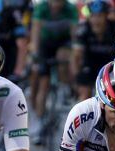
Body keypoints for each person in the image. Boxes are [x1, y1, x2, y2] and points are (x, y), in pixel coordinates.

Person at [29, 0, 78, 140]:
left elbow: (74, 35)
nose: (56, 5)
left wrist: (75, 53)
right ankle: (38, 124)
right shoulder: (41, 9)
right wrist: (35, 55)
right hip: (45, 44)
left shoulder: (70, 9)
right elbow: (35, 32)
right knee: (43, 85)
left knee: (64, 57)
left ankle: (63, 90)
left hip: (63, 43)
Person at [71, 0, 115, 101]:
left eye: (99, 16)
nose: (96, 20)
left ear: (106, 16)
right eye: (93, 16)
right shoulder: (82, 30)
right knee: (84, 95)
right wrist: (76, 80)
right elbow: (76, 57)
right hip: (89, 65)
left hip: (111, 67)